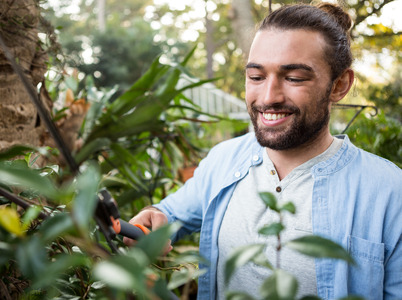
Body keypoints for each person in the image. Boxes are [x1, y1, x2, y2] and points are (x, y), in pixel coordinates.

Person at [124, 3, 402, 299]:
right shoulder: (223, 160)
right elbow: (169, 214)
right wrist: (152, 216)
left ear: (339, 85)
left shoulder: (389, 191)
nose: (269, 97)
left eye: (294, 78)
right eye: (256, 77)